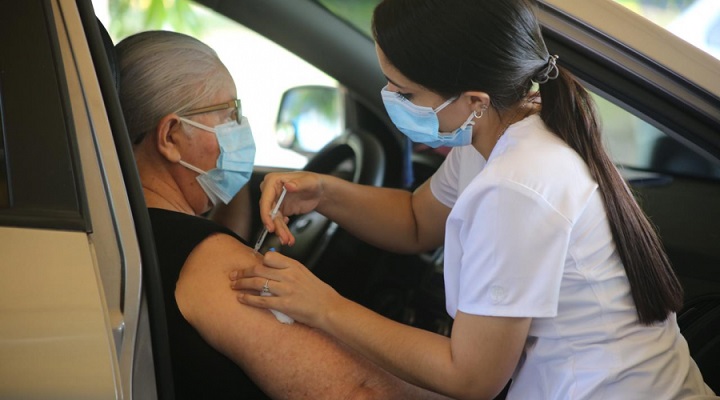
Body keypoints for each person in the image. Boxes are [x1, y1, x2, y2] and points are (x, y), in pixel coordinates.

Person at [229, 1, 717, 399]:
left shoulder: (516, 186)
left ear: (475, 100)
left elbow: (472, 377)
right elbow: (417, 220)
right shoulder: (503, 131)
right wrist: (324, 191)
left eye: (405, 91)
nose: (391, 98)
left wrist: (324, 307)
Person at [116, 30, 450, 400]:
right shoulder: (209, 262)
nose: (239, 129)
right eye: (229, 114)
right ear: (171, 137)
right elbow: (360, 392)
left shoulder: (122, 232)